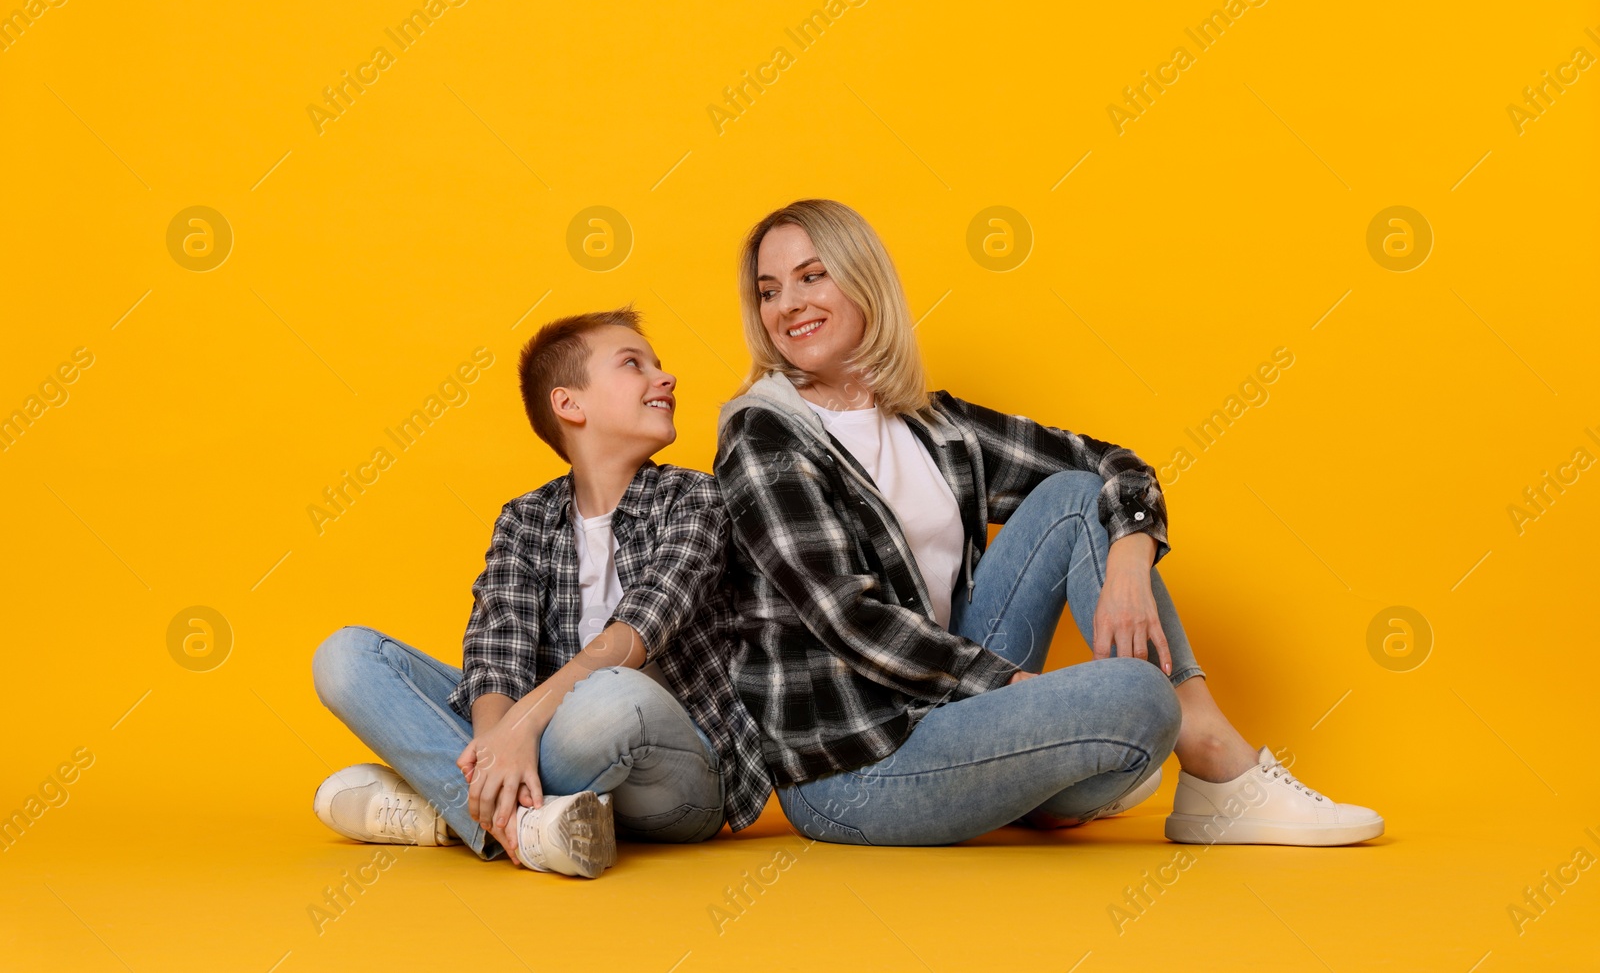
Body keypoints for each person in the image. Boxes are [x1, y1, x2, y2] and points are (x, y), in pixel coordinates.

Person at [712, 198, 1383, 847]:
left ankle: (1212, 764)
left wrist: (1129, 554)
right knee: (1138, 700)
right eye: (769, 290)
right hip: (852, 766)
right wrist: (1011, 687)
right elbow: (845, 616)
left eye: (811, 275)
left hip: (947, 713)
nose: (788, 304)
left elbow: (1114, 463)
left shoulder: (934, 424)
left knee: (1075, 494)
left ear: (863, 277)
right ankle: (1130, 758)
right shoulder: (763, 432)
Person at [311, 307, 770, 877]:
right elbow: (497, 645)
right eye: (634, 364)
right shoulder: (525, 518)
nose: (665, 377)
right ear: (569, 404)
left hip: (674, 774)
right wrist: (495, 746)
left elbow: (640, 629)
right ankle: (533, 825)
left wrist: (522, 727)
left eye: (659, 365)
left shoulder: (695, 498)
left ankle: (454, 811)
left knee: (610, 696)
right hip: (546, 743)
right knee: (346, 656)